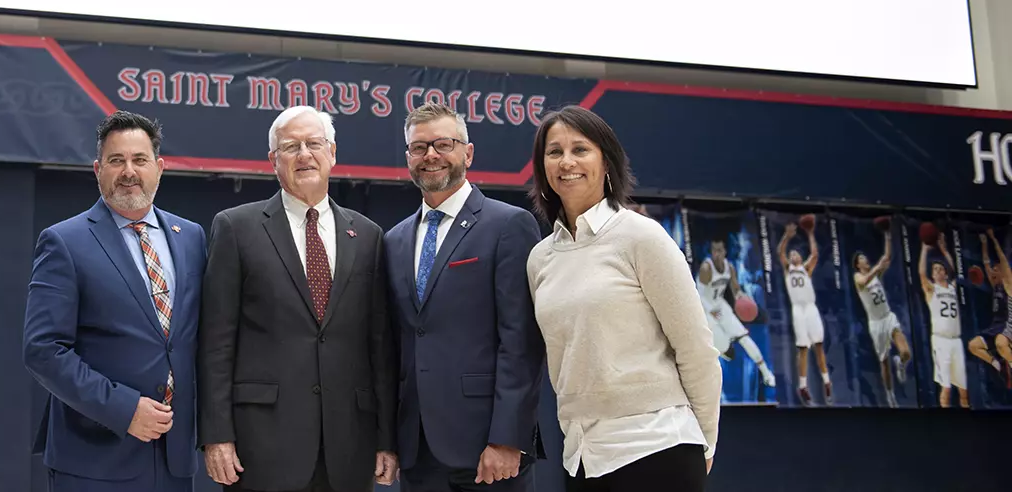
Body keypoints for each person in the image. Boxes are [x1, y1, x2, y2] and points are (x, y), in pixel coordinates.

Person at [199, 105, 397, 492]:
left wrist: (386, 438)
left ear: (333, 153)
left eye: (314, 143)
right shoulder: (235, 228)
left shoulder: (370, 235)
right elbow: (215, 343)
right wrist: (216, 435)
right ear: (274, 160)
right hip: (261, 446)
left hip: (349, 447)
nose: (304, 154)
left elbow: (381, 346)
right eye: (291, 147)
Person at [525, 106, 721, 492]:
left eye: (580, 150)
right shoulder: (540, 259)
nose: (567, 162)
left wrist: (706, 441)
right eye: (554, 152)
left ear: (607, 162)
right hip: (581, 458)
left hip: (657, 448)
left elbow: (696, 348)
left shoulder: (641, 237)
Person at [24, 111, 205, 492]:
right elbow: (43, 350)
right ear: (97, 169)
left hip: (174, 458)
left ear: (159, 167)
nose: (128, 171)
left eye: (139, 160)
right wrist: (124, 410)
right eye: (116, 160)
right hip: (95, 456)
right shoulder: (64, 242)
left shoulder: (191, 237)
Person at [385, 103, 543, 492]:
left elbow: (520, 342)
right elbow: (394, 345)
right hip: (417, 450)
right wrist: (388, 441)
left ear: (468, 153)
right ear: (408, 158)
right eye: (419, 148)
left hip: (487, 449)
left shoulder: (509, 225)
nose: (431, 155)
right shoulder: (393, 240)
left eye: (443, 144)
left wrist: (508, 438)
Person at [696, 239, 776, 390]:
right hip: (704, 309)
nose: (717, 254)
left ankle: (767, 374)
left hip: (720, 306)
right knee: (725, 349)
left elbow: (735, 289)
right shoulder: (706, 268)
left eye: (720, 250)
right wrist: (711, 311)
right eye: (714, 250)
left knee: (744, 338)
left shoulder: (729, 267)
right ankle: (722, 352)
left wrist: (742, 296)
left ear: (725, 251)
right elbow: (698, 294)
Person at [851, 230, 912, 408]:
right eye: (861, 259)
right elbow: (864, 281)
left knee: (906, 352)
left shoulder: (875, 274)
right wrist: (877, 268)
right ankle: (890, 394)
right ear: (857, 264)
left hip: (888, 317)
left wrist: (887, 237)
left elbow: (886, 257)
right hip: (876, 324)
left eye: (865, 257)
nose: (865, 260)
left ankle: (900, 363)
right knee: (883, 362)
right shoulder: (858, 278)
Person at [777, 222, 831, 404]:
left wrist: (810, 233)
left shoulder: (806, 268)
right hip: (797, 309)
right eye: (791, 254)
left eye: (795, 253)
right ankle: (803, 385)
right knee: (802, 348)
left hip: (810, 308)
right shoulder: (788, 269)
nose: (793, 255)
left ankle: (827, 382)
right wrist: (786, 236)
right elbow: (780, 253)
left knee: (818, 345)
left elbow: (815, 254)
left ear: (800, 257)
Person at [917, 231, 968, 408]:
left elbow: (954, 268)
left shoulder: (952, 288)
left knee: (963, 391)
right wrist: (924, 250)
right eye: (935, 270)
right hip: (941, 341)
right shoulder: (932, 290)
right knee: (945, 388)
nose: (938, 271)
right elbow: (921, 274)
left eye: (941, 269)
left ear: (945, 274)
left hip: (956, 341)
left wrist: (945, 250)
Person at [967, 232, 1012, 389]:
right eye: (992, 270)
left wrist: (994, 240)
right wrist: (985, 243)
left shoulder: (1008, 287)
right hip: (994, 326)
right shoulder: (995, 287)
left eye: (995, 269)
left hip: (1005, 326)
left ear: (1002, 272)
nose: (992, 272)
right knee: (973, 346)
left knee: (1001, 342)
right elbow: (986, 264)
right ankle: (998, 364)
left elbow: (1003, 266)